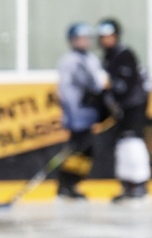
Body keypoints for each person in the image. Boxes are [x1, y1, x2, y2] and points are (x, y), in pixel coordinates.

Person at [97, 18, 152, 204]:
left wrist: (109, 91)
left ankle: (139, 184)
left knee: (133, 142)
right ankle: (127, 184)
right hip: (123, 108)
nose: (106, 40)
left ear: (116, 36)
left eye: (110, 36)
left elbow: (125, 86)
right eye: (103, 37)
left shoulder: (124, 54)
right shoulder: (108, 57)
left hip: (134, 106)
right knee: (122, 145)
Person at [55, 22, 110, 200]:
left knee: (86, 152)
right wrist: (70, 115)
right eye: (79, 38)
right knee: (77, 151)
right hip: (76, 116)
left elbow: (97, 86)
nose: (83, 41)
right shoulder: (68, 61)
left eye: (86, 38)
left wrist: (101, 110)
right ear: (72, 40)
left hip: (89, 115)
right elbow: (65, 91)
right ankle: (66, 185)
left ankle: (71, 185)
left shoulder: (91, 59)